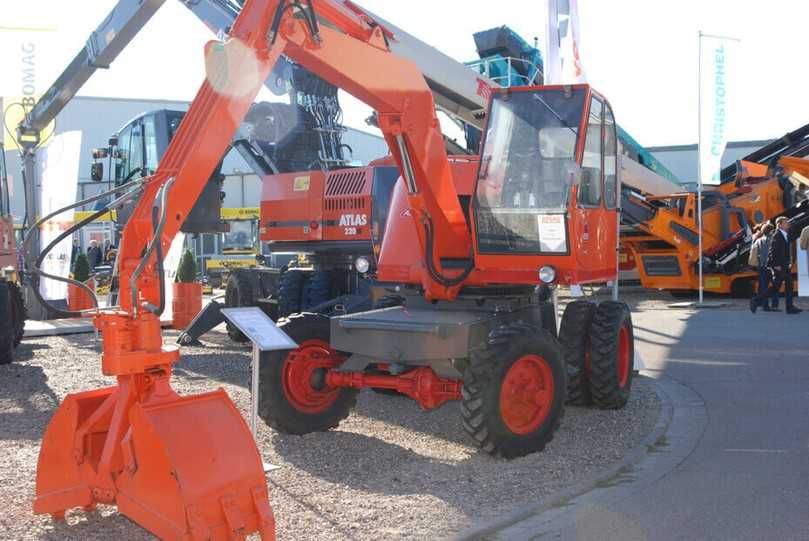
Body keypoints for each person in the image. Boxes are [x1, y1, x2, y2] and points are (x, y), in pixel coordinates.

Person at [751, 216, 801, 314]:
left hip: (785, 265)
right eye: (786, 223)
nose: (788, 224)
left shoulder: (785, 234)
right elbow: (772, 251)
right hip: (779, 266)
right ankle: (756, 300)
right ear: (780, 224)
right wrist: (776, 265)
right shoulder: (776, 235)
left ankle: (789, 307)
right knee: (775, 287)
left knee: (789, 286)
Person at [749, 223, 778, 311]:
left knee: (763, 286)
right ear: (771, 231)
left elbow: (754, 252)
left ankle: (764, 305)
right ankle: (774, 305)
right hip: (770, 266)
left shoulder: (758, 240)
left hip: (761, 266)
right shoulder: (773, 240)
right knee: (775, 285)